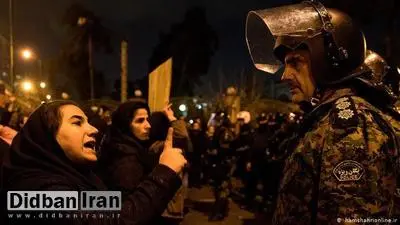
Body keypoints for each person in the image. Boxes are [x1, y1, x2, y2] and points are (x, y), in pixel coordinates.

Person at [246, 1, 399, 224]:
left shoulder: (350, 127)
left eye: (295, 63)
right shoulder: (328, 117)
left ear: (329, 61)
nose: (284, 76)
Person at [1, 100, 187, 225]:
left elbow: (115, 206)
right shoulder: (37, 192)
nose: (93, 130)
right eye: (77, 123)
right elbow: (116, 220)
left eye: (88, 122)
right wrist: (165, 172)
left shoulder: (77, 176)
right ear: (47, 137)